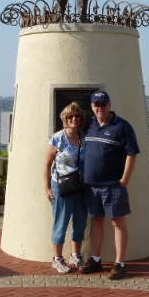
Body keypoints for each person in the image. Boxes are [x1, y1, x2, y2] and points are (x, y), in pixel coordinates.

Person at [79, 91, 139, 280]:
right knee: (96, 222)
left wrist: (124, 180)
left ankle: (119, 263)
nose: (100, 107)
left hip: (113, 185)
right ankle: (96, 259)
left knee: (117, 223)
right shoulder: (88, 124)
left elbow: (132, 153)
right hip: (91, 185)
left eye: (103, 104)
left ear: (109, 104)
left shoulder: (122, 126)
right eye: (96, 104)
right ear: (91, 106)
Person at [43, 102, 88, 273]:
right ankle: (57, 259)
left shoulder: (85, 138)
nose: (74, 119)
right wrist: (47, 187)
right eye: (71, 116)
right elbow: (47, 164)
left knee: (80, 221)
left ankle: (75, 255)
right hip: (61, 186)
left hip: (81, 186)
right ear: (65, 119)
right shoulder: (57, 139)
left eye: (77, 116)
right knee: (60, 222)